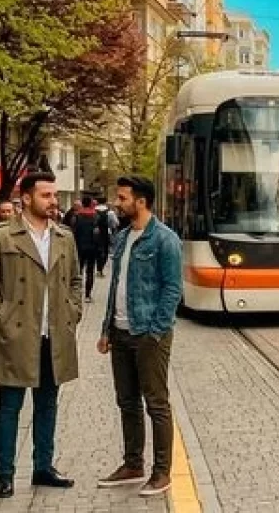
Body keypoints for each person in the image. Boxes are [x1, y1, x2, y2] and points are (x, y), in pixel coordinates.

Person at [0, 172, 81, 499]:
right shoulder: (2, 235)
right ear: (27, 198)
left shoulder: (64, 236)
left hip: (54, 336)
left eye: (55, 195)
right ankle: (4, 475)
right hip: (17, 335)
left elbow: (75, 281)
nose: (53, 201)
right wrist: (1, 317)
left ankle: (43, 467)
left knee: (47, 404)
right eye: (46, 195)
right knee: (9, 406)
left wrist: (73, 312)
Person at [95, 176, 183, 497]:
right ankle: (133, 464)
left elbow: (173, 288)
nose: (118, 204)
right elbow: (115, 287)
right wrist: (106, 329)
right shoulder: (121, 238)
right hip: (119, 333)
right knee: (126, 401)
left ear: (141, 201)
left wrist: (156, 331)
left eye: (122, 198)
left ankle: (162, 473)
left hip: (149, 334)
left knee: (156, 404)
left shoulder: (165, 239)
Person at [71, 197, 100, 303]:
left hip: (79, 247)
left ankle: (77, 294)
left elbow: (73, 231)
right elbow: (97, 233)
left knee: (78, 271)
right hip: (92, 247)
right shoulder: (96, 216)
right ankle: (88, 295)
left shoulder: (77, 216)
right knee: (90, 271)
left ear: (82, 204)